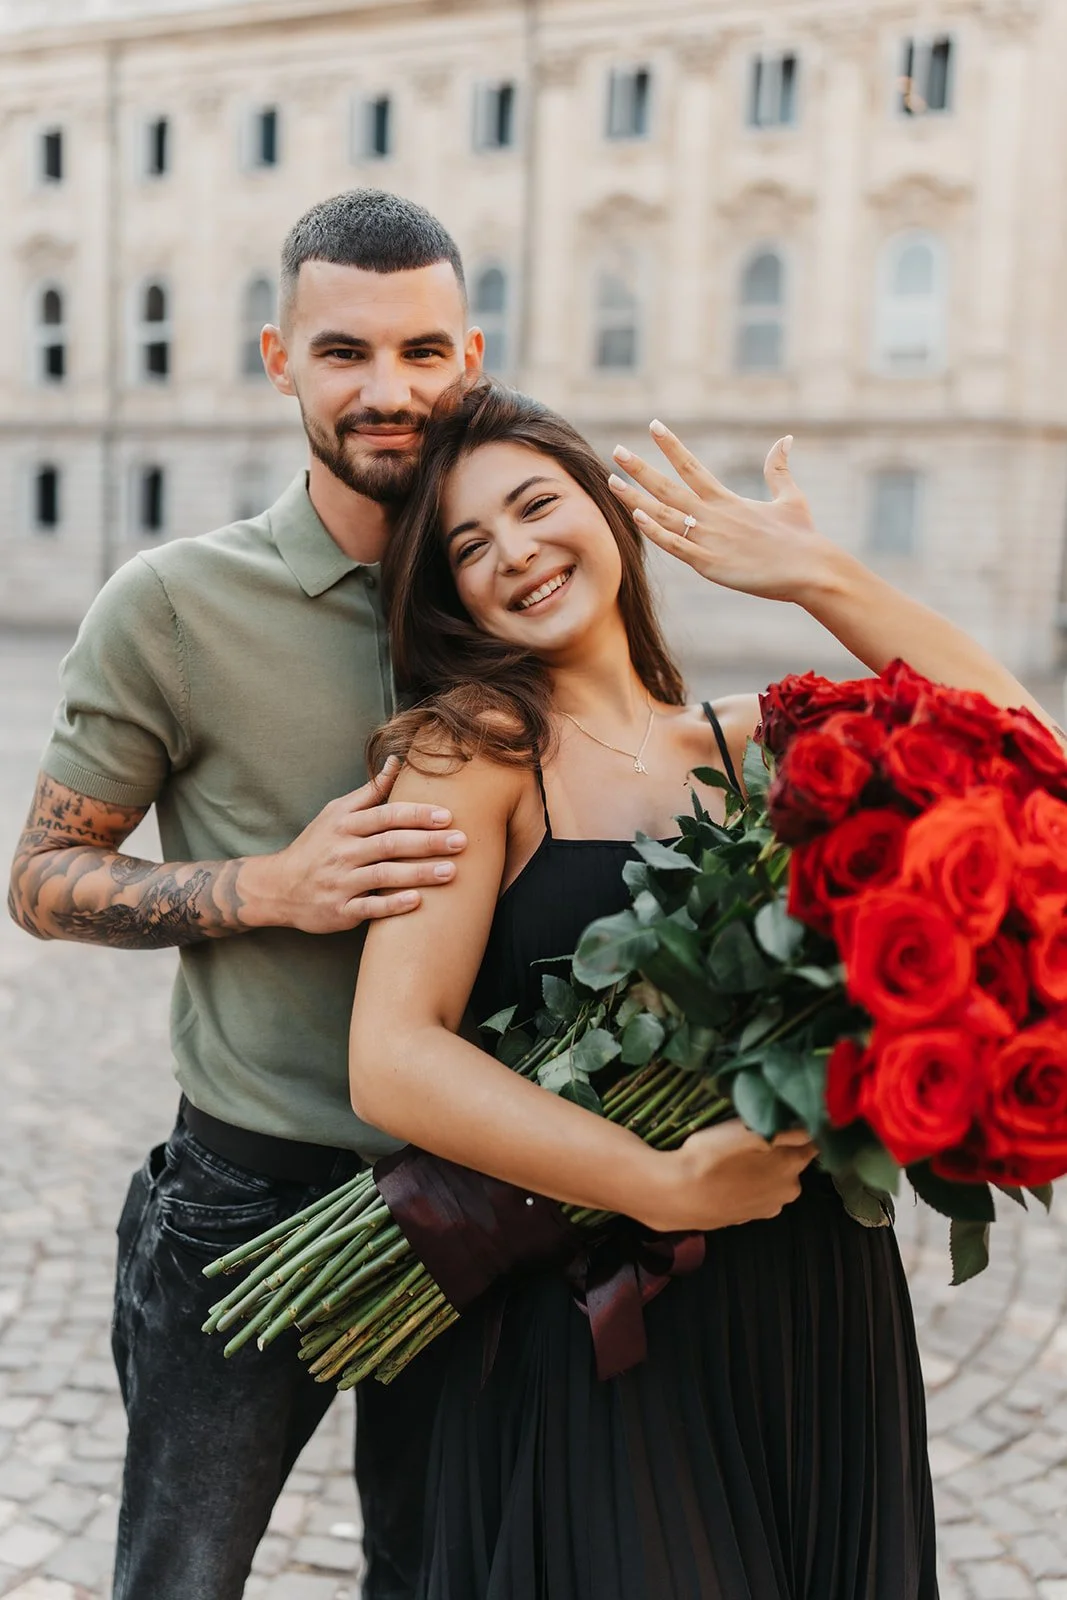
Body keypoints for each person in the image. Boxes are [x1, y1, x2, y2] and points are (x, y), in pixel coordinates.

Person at [349, 379, 1062, 1599]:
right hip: (603, 1320)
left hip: (814, 1299)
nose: (514, 552)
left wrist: (815, 576)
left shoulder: (757, 745)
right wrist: (663, 1179)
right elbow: (392, 1059)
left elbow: (1029, 753)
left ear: (607, 512)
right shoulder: (470, 748)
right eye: (469, 546)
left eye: (534, 504)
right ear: (448, 594)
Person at [6, 190, 486, 1600]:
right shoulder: (168, 604)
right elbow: (40, 880)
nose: (385, 391)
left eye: (419, 352)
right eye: (343, 352)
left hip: (483, 1203)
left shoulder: (517, 584)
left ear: (470, 353)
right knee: (181, 1581)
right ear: (279, 358)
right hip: (249, 1195)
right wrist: (267, 889)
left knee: (443, 1576)